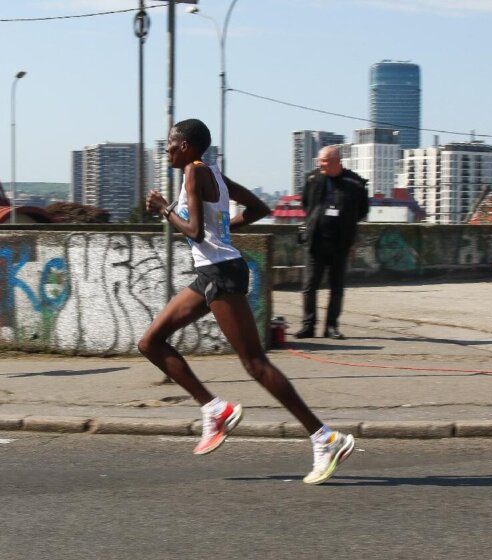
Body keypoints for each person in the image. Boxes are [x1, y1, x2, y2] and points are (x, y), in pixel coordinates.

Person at [141, 119, 354, 484]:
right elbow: (257, 208)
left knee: (255, 364)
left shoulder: (194, 174)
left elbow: (192, 231)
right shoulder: (215, 175)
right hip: (213, 272)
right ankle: (215, 409)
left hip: (222, 273)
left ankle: (325, 438)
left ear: (188, 147)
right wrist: (223, 232)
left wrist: (164, 208)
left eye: (172, 144)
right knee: (150, 342)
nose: (167, 150)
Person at [295, 145, 369, 340]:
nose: (321, 164)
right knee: (309, 286)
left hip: (340, 243)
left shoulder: (355, 183)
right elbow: (305, 204)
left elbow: (362, 210)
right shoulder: (312, 179)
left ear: (337, 161)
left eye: (325, 161)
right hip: (315, 241)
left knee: (336, 288)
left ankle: (331, 326)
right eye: (320, 161)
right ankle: (308, 325)